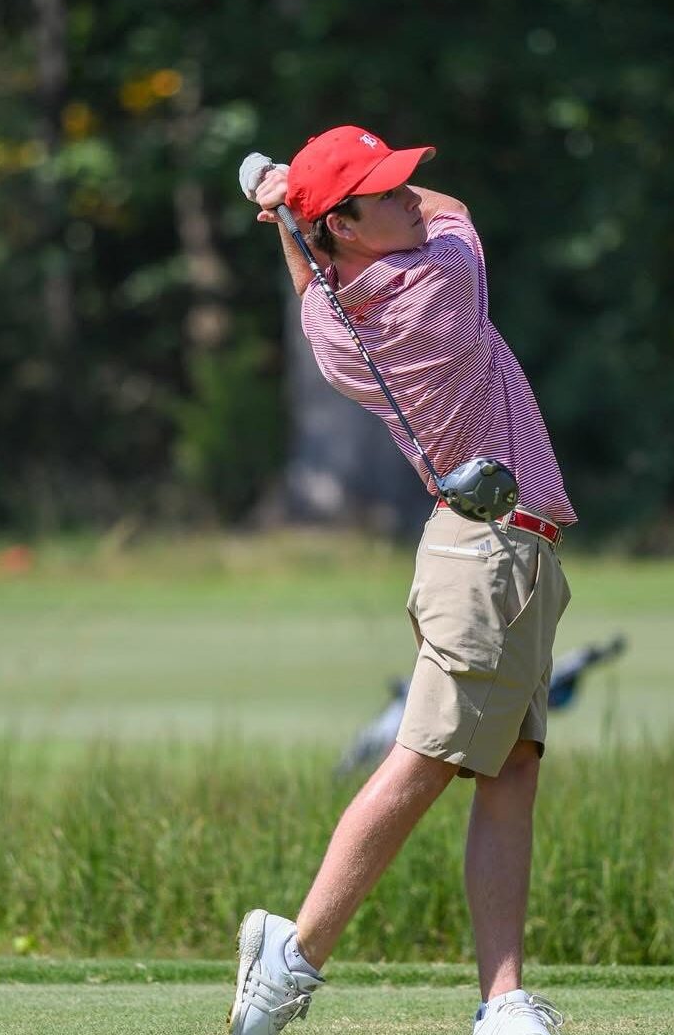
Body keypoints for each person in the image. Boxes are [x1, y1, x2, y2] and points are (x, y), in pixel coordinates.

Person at [228, 126, 577, 1035]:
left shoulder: (330, 326)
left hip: (507, 555)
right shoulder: (442, 285)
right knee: (424, 761)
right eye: (382, 195)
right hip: (487, 556)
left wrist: (286, 211)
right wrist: (287, 202)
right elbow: (453, 209)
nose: (408, 200)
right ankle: (292, 957)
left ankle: (502, 1002)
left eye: (400, 185)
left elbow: (312, 281)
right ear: (343, 224)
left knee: (509, 770)